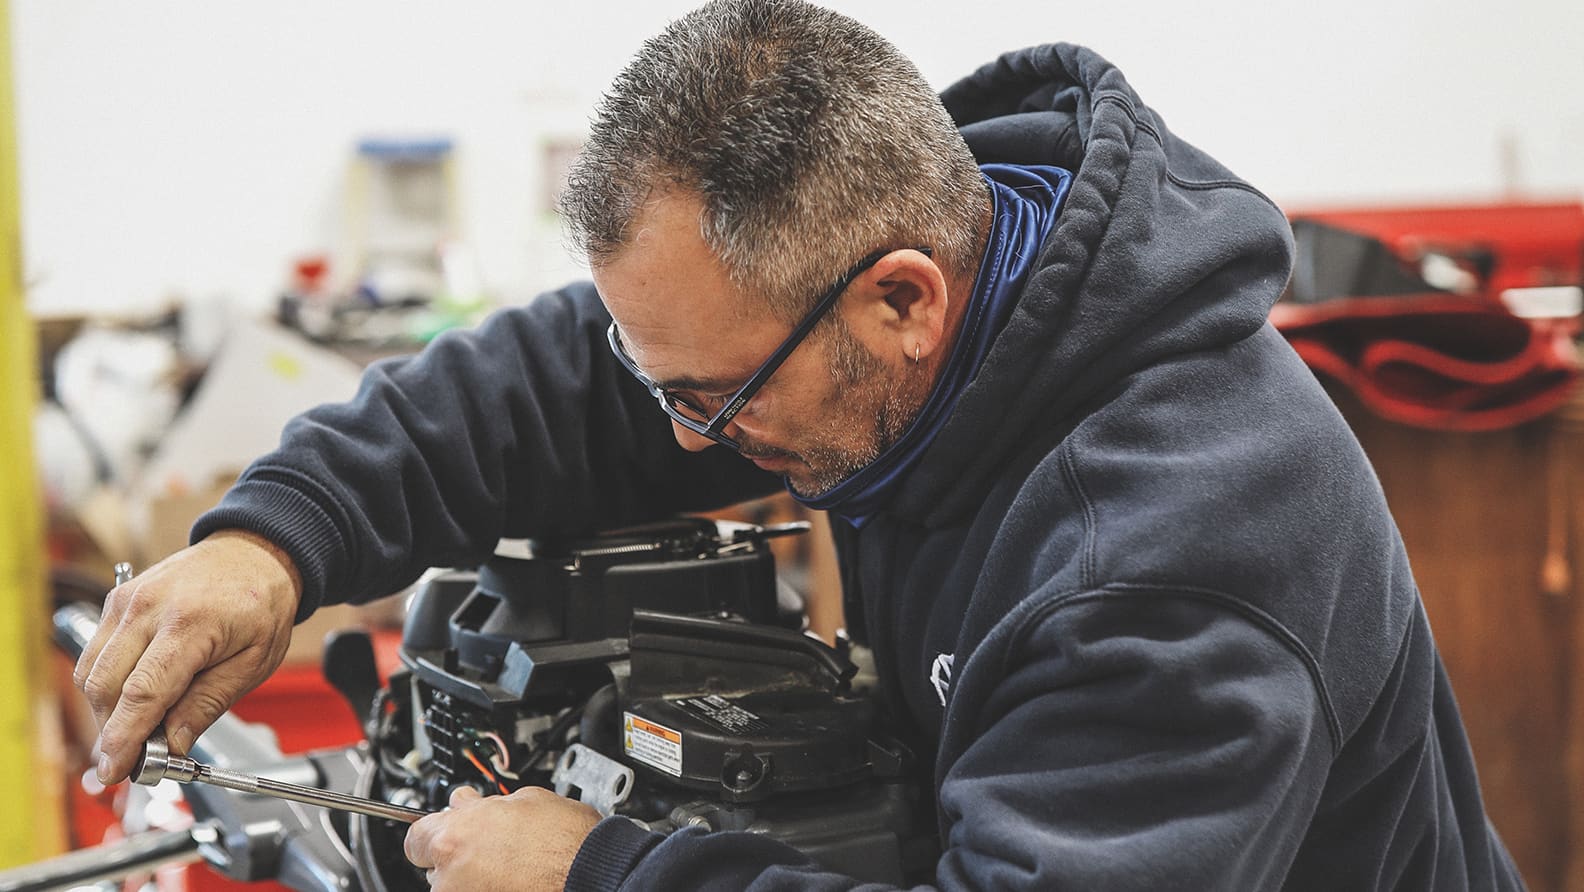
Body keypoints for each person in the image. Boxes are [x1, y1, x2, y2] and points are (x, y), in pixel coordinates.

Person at [74, 1, 1525, 889]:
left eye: (713, 398)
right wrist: (280, 540)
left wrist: (607, 875)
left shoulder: (1165, 563)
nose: (687, 432)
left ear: (902, 300)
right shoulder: (871, 296)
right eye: (672, 387)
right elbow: (566, 383)